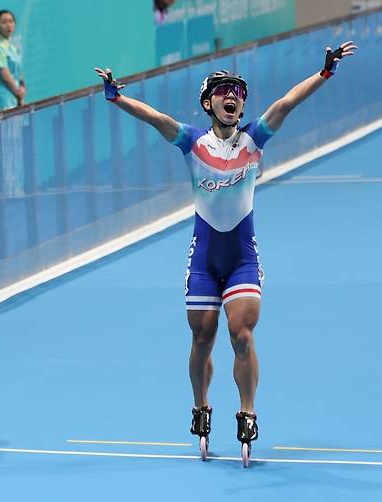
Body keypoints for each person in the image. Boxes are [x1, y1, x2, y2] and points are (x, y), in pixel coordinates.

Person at [95, 41, 357, 460]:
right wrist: (117, 96)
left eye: (238, 91)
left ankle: (248, 411)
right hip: (203, 260)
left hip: (241, 259)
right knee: (202, 338)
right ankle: (201, 406)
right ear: (208, 103)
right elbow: (155, 118)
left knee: (242, 335)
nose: (232, 96)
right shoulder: (192, 142)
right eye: (223, 91)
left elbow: (287, 102)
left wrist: (324, 72)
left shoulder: (254, 137)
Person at [0, 9, 25, 112]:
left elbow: (19, 74)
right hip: (2, 100)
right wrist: (18, 93)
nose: (8, 25)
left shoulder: (12, 46)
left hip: (14, 98)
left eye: (11, 21)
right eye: (4, 22)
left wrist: (22, 89)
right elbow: (5, 76)